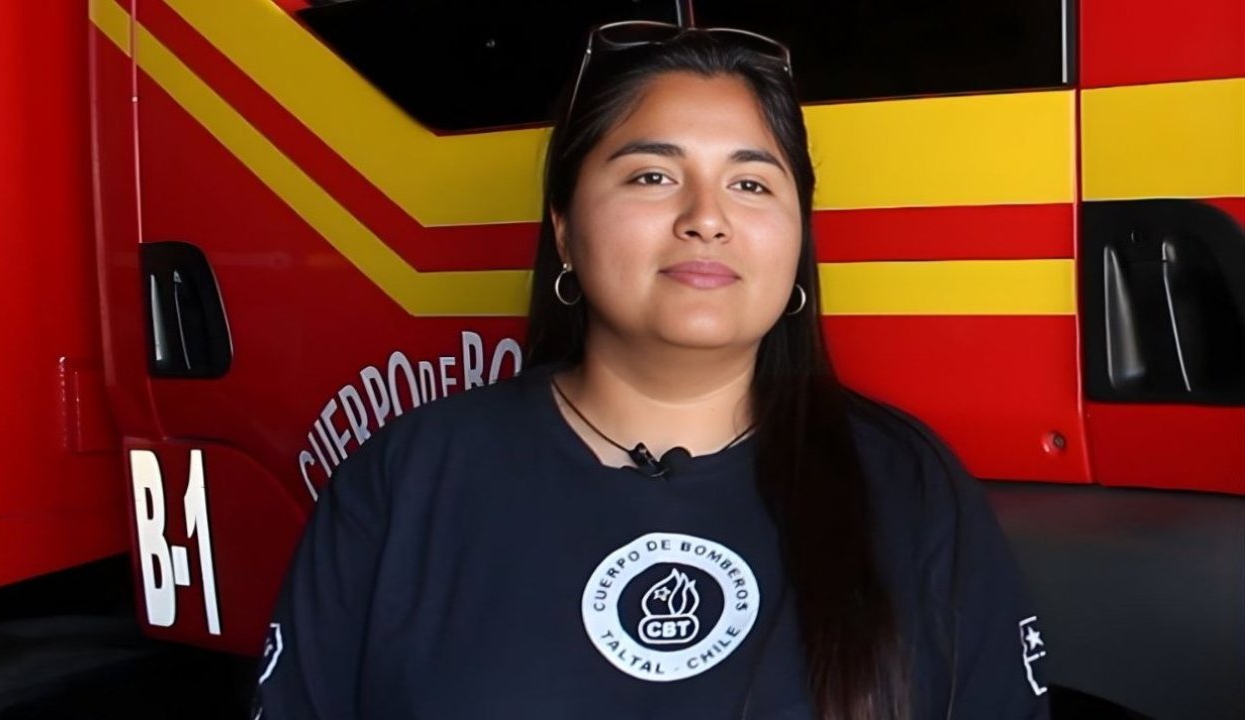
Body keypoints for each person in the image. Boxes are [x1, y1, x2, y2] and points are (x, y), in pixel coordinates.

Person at [252, 22, 1050, 720]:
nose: (706, 218)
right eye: (652, 176)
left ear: (798, 239)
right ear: (564, 230)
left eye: (750, 183)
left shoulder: (910, 484)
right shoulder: (408, 478)